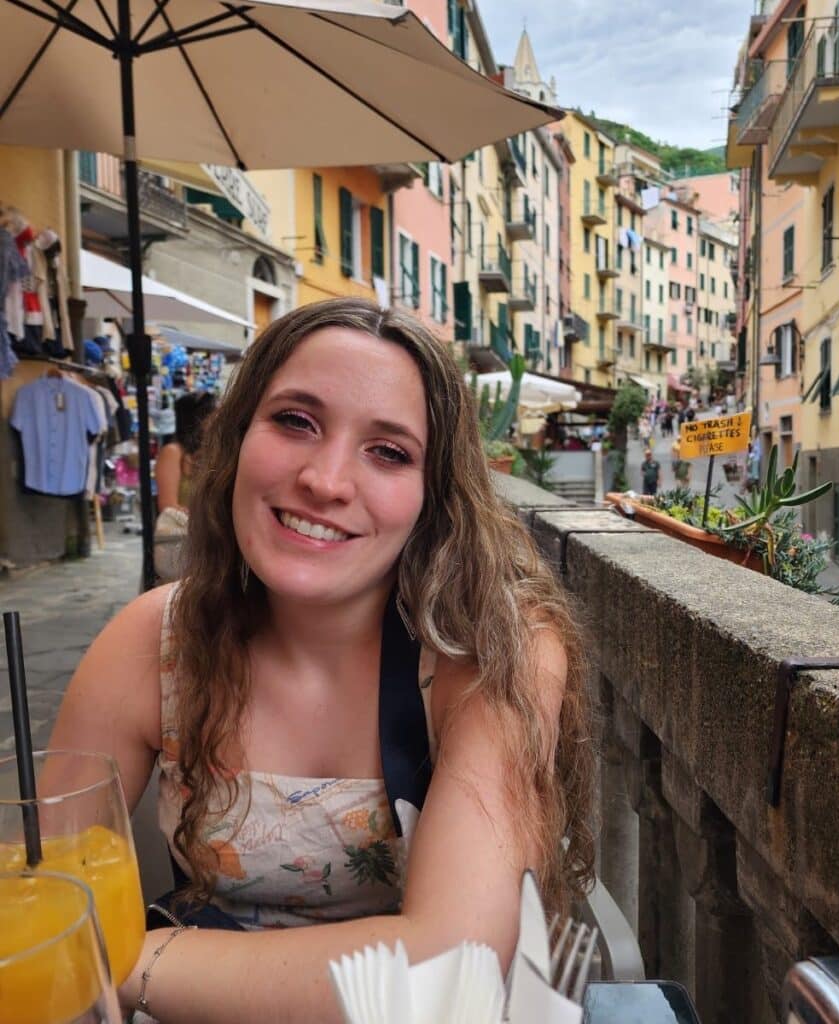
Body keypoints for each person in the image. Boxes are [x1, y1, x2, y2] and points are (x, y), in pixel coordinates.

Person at [47, 299, 594, 1021]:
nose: (327, 480)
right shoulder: (148, 644)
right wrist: (83, 952)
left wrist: (127, 962)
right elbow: (49, 900)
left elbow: (453, 959)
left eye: (389, 451)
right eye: (296, 421)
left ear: (435, 497)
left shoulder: (494, 650)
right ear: (239, 437)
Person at [154, 391, 218, 513]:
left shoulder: (212, 451)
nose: (218, 421)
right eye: (213, 416)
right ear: (198, 420)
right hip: (184, 529)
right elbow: (168, 507)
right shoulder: (172, 452)